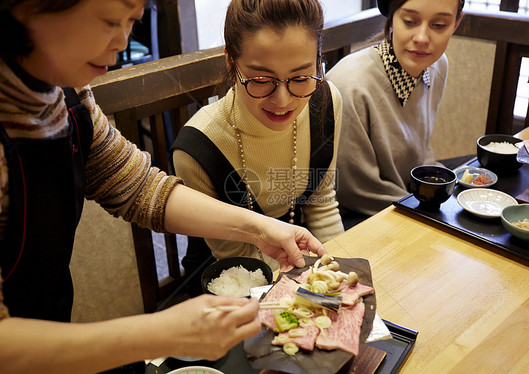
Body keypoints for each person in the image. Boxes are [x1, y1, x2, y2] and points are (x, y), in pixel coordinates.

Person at [0, 0, 328, 372]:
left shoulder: (67, 93)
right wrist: (158, 333)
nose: (123, 41)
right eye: (109, 22)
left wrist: (260, 227)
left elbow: (138, 186)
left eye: (132, 21)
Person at [172, 0, 344, 274]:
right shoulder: (198, 148)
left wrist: (338, 277)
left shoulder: (324, 101)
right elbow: (236, 259)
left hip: (299, 265)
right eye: (262, 80)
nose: (283, 100)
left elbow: (322, 206)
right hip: (230, 278)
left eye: (300, 78)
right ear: (231, 61)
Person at [326, 0, 464, 229]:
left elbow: (420, 153)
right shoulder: (350, 86)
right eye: (410, 21)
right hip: (355, 215)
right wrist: (430, 214)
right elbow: (354, 191)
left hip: (406, 194)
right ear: (391, 18)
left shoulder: (438, 65)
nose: (421, 37)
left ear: (456, 23)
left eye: (439, 25)